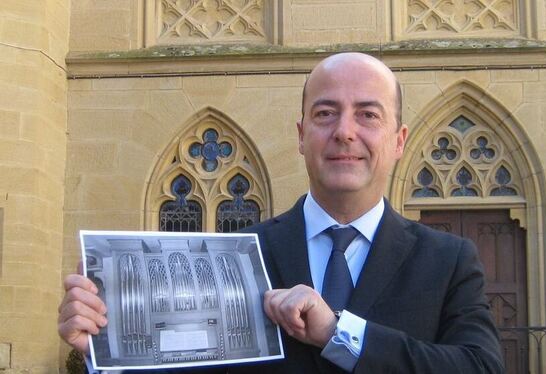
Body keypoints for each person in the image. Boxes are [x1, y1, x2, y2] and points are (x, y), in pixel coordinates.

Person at [58, 52, 504, 373]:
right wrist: (106, 351)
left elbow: (480, 367)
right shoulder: (234, 259)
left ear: (400, 140)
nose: (344, 132)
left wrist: (337, 334)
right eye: (325, 114)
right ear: (301, 133)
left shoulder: (449, 260)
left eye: (368, 115)